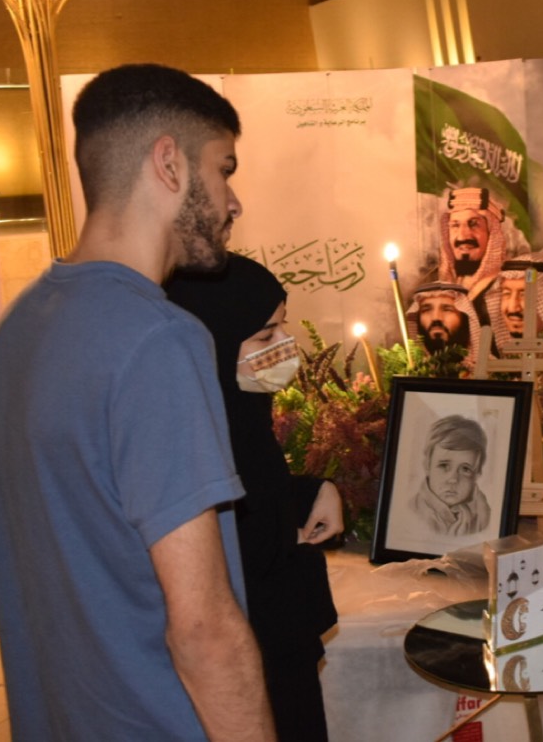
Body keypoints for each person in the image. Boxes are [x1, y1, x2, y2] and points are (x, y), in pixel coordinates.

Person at [0, 64, 275, 740]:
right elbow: (203, 629)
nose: (233, 202)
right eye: (224, 170)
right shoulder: (158, 338)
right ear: (169, 163)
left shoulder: (15, 330)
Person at [166, 253, 342, 742]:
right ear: (213, 343)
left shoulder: (242, 416)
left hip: (278, 656)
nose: (285, 345)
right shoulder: (188, 448)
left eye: (283, 326)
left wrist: (312, 490)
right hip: (247, 681)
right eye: (265, 336)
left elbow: (257, 490)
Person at [410, 414, 491, 535]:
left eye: (465, 469)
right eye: (444, 466)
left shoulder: (484, 517)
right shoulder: (411, 513)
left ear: (477, 473)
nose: (453, 479)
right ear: (427, 465)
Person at [405, 281, 481, 366]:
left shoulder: (489, 369)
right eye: (426, 310)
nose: (436, 317)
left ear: (465, 317)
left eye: (447, 309)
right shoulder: (405, 370)